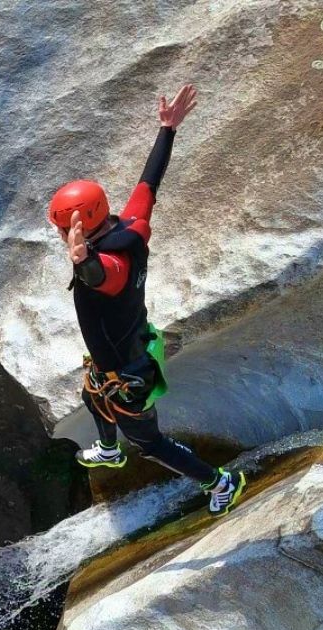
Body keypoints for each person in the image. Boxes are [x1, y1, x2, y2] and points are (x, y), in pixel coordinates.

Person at [48, 84, 246, 516]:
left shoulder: (108, 264)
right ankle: (107, 448)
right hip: (123, 352)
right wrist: (166, 130)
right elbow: (148, 182)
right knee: (91, 393)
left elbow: (106, 277)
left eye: (60, 229)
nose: (60, 235)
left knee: (150, 443)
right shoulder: (131, 224)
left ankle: (222, 481)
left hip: (130, 373)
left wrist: (83, 263)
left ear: (74, 228)